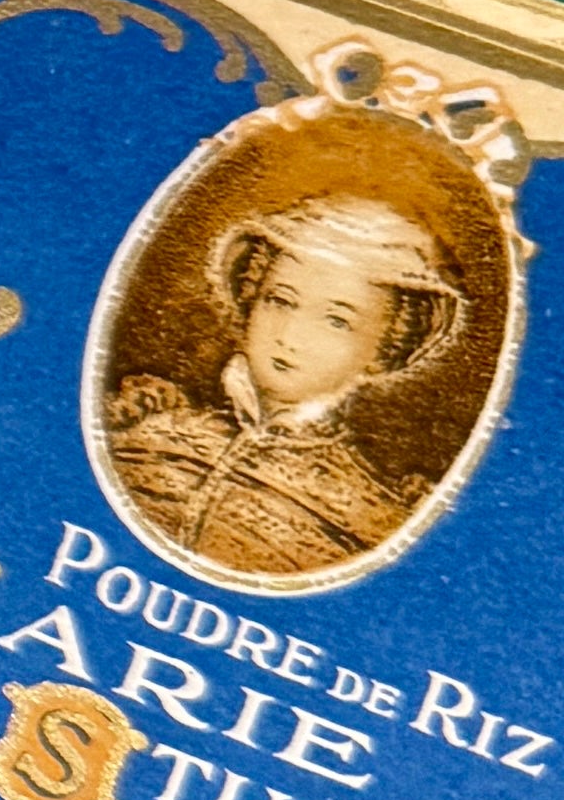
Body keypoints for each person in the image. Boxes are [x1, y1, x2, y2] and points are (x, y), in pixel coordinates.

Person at [103, 189, 468, 578]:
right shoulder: (145, 428)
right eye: (279, 300)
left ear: (386, 346)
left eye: (336, 320)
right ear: (252, 295)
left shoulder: (375, 517)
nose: (290, 335)